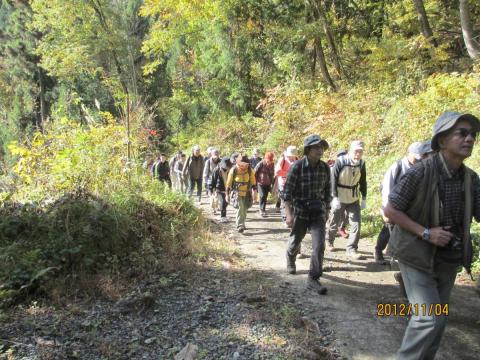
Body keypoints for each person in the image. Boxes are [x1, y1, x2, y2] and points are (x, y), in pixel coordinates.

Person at [384, 111, 480, 360]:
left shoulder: (471, 179)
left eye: (473, 134)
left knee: (437, 320)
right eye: (462, 133)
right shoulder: (420, 172)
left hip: (448, 259)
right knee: (428, 318)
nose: (469, 139)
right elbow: (391, 209)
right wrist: (426, 233)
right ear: (442, 140)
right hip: (416, 255)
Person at [283, 135, 331, 295]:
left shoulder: (324, 168)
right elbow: (287, 193)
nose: (320, 150)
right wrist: (289, 214)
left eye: (321, 147)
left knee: (319, 245)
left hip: (318, 211)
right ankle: (290, 258)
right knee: (296, 239)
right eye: (316, 147)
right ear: (308, 150)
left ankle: (313, 278)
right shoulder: (297, 167)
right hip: (300, 209)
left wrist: (327, 210)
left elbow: (327, 192)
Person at [374, 141, 429, 265]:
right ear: (409, 153)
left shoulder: (420, 166)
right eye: (416, 157)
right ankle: (378, 251)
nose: (418, 160)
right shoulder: (397, 167)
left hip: (409, 206)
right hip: (393, 204)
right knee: (388, 229)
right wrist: (386, 209)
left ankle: (400, 256)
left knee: (405, 230)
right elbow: (387, 188)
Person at [325, 140, 367, 259]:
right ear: (350, 151)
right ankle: (329, 241)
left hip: (353, 197)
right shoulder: (341, 161)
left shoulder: (362, 163)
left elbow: (363, 181)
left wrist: (364, 197)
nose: (358, 154)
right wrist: (334, 197)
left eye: (360, 152)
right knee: (334, 221)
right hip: (340, 195)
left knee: (356, 224)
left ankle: (351, 248)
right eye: (356, 151)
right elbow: (333, 179)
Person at [226, 155, 256, 233]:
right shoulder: (234, 170)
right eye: (242, 163)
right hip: (237, 193)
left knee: (245, 209)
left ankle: (242, 222)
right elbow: (228, 183)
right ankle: (240, 225)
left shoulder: (250, 170)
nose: (244, 165)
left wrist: (254, 192)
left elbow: (253, 182)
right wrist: (227, 194)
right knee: (240, 208)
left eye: (245, 163)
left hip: (247, 193)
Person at [275, 145, 298, 223]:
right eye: (290, 155)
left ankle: (292, 218)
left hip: (294, 184)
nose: (292, 157)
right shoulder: (283, 160)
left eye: (293, 155)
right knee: (285, 201)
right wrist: (289, 174)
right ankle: (285, 219)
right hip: (283, 184)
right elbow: (277, 172)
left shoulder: (297, 160)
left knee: (294, 201)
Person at [210, 156, 232, 223]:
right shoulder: (217, 170)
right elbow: (213, 180)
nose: (226, 167)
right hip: (219, 189)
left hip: (228, 189)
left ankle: (222, 211)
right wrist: (211, 189)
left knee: (226, 202)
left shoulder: (231, 170)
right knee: (223, 202)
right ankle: (223, 216)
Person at [254, 151, 275, 217]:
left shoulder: (272, 164)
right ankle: (261, 210)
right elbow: (254, 172)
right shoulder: (261, 163)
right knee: (262, 195)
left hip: (268, 183)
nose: (269, 161)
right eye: (269, 160)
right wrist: (254, 183)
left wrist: (272, 183)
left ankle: (263, 209)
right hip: (260, 183)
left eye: (271, 160)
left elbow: (272, 174)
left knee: (265, 196)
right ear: (265, 158)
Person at [203, 148, 221, 214]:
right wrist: (205, 182)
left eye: (217, 154)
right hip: (210, 180)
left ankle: (216, 207)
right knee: (211, 195)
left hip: (218, 181)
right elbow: (205, 172)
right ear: (211, 154)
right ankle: (213, 208)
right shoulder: (208, 162)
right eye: (215, 154)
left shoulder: (221, 161)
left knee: (217, 195)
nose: (216, 155)